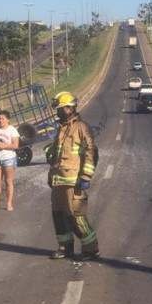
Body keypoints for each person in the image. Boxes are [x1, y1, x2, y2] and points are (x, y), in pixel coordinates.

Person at [47, 91, 99, 260]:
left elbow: (91, 152)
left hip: (74, 182)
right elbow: (56, 156)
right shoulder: (61, 128)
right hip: (58, 181)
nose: (58, 112)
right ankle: (65, 248)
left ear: (69, 109)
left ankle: (91, 249)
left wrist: (85, 176)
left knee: (76, 217)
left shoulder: (81, 127)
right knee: (58, 216)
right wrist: (51, 175)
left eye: (60, 109)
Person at [0, 109, 20, 211]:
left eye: (3, 118)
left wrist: (3, 146)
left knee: (8, 181)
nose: (0, 120)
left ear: (8, 120)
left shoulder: (12, 130)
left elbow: (15, 145)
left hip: (8, 158)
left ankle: (9, 203)